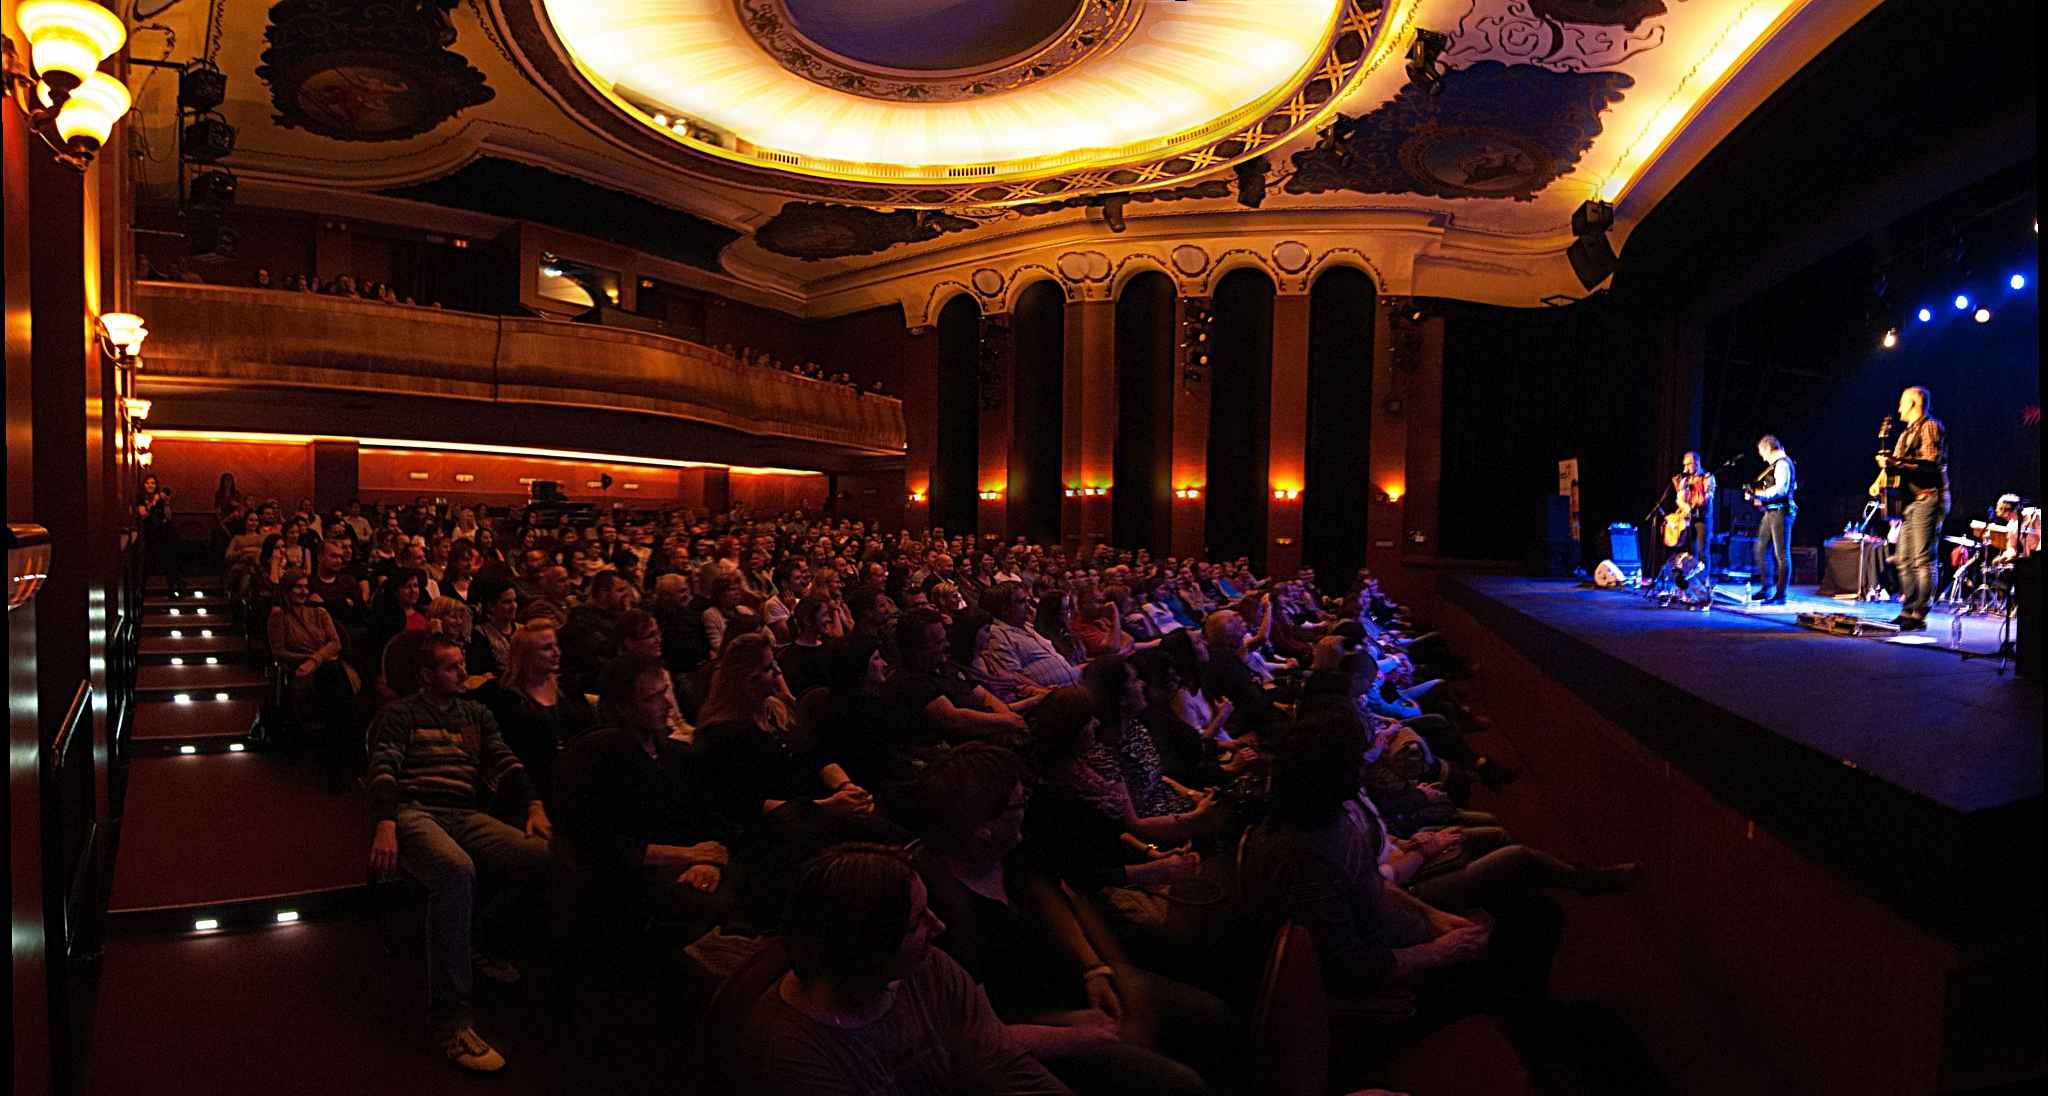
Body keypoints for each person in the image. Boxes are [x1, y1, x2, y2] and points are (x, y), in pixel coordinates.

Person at [914, 745, 1224, 1096]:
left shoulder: (1011, 849)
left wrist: (1095, 969)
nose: (1026, 807)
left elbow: (1054, 900)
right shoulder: (937, 907)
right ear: (983, 829)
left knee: (1212, 1017)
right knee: (1180, 1085)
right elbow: (978, 1029)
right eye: (1018, 804)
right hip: (1034, 1034)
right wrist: (1076, 1028)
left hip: (1077, 986)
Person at [736, 843, 1070, 1096]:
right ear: (865, 949)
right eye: (916, 923)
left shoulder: (929, 969)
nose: (938, 927)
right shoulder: (791, 1052)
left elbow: (1000, 1061)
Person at [365, 636, 553, 1073]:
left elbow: (505, 761)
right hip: (415, 811)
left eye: (462, 664)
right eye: (451, 667)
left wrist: (534, 804)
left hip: (463, 813)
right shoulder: (401, 713)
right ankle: (450, 1019)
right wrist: (386, 822)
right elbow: (384, 769)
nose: (463, 673)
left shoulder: (476, 714)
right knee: (456, 870)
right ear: (427, 676)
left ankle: (481, 938)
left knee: (543, 857)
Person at [553, 655, 737, 943]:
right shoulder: (597, 759)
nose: (667, 704)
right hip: (628, 879)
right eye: (652, 698)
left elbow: (709, 816)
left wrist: (708, 862)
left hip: (690, 863)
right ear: (624, 708)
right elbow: (603, 846)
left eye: (665, 692)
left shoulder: (676, 754)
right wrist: (690, 855)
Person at [481, 622, 598, 808]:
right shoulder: (505, 697)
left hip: (577, 780)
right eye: (546, 648)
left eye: (556, 645)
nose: (556, 653)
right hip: (533, 785)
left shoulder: (568, 689)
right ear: (525, 655)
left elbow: (590, 733)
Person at [1871, 387, 1948, 630]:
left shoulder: (1930, 426)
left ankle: (1919, 614)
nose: (1898, 408)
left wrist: (1897, 462)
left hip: (1929, 497)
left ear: (1914, 403)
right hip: (1911, 501)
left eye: (1902, 403)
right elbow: (1895, 466)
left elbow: (1930, 463)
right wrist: (1880, 478)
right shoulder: (1906, 434)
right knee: (1904, 558)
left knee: (1922, 558)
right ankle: (1907, 610)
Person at [1748, 434, 1797, 605]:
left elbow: (1781, 490)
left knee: (1781, 554)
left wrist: (1760, 494)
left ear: (1768, 449)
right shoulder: (1776, 465)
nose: (1763, 458)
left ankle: (1781, 595)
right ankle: (1766, 588)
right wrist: (1758, 497)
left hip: (1781, 512)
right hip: (1771, 512)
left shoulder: (1782, 464)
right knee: (1761, 549)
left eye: (1762, 453)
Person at [136, 474, 181, 595]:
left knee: (169, 561)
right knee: (147, 563)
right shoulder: (141, 498)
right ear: (143, 485)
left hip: (164, 533)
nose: (150, 485)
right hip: (148, 535)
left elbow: (169, 517)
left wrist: (166, 502)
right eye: (147, 483)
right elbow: (143, 515)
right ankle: (142, 591)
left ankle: (173, 589)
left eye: (153, 483)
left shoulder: (161, 499)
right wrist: (153, 502)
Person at [1668, 450, 1715, 564]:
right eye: (1684, 465)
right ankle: (1692, 573)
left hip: (1702, 519)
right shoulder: (1686, 479)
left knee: (1702, 551)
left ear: (1697, 462)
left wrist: (1698, 500)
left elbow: (1708, 497)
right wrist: (1684, 501)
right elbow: (1679, 499)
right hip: (1688, 520)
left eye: (1688, 464)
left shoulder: (1707, 477)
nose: (1685, 468)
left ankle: (1704, 575)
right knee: (1690, 551)